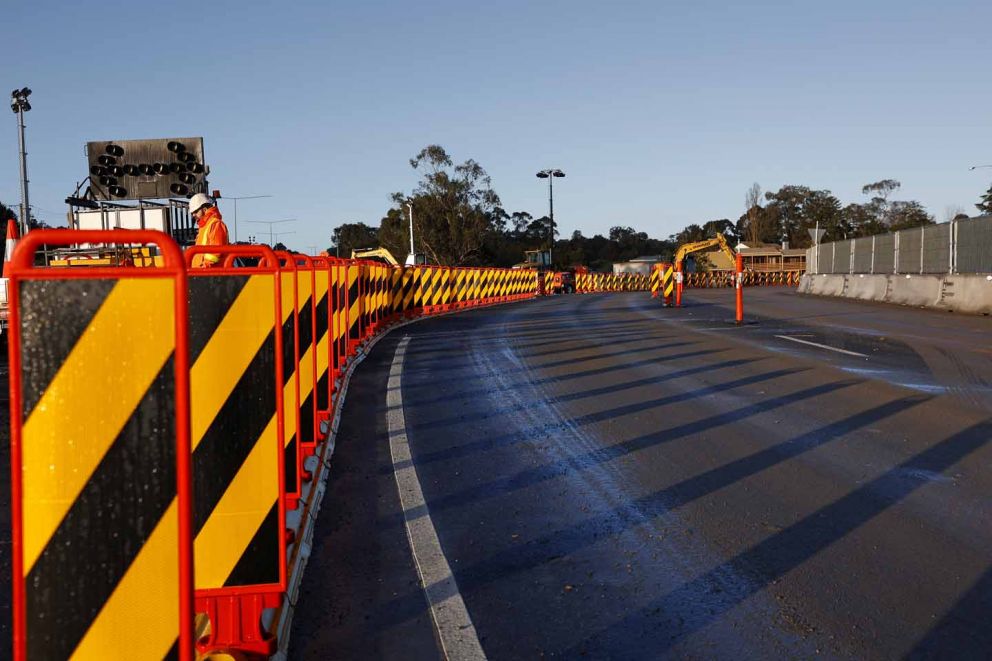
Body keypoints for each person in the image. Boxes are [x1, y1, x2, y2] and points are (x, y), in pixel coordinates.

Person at [188, 193, 229, 267]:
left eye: (195, 212)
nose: (193, 215)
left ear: (204, 209)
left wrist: (203, 269)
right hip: (202, 273)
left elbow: (215, 253)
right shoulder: (204, 226)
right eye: (192, 213)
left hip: (211, 274)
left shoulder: (215, 224)